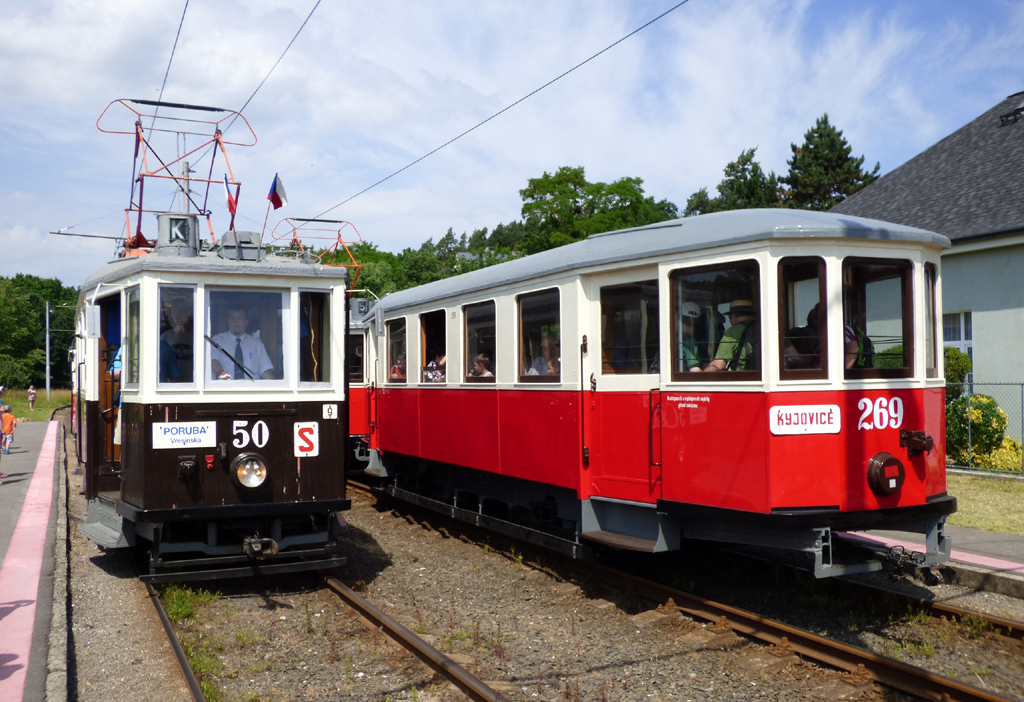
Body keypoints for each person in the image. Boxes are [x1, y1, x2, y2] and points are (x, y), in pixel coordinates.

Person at [210, 304, 276, 380]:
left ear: (246, 322)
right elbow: (212, 360)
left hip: (251, 389)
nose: (236, 322)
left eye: (240, 318)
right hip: (226, 388)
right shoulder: (217, 340)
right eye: (232, 318)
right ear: (228, 321)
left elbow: (264, 370)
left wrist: (276, 386)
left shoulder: (256, 343)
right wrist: (221, 373)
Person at [705, 299, 759, 372]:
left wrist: (700, 377)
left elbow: (719, 364)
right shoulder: (762, 329)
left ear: (733, 317)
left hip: (743, 379)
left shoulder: (732, 331)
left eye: (729, 318)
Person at [161, 299, 194, 382]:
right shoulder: (165, 337)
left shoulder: (197, 337)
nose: (176, 315)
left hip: (195, 383)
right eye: (174, 312)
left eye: (180, 311)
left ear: (188, 314)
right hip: (172, 386)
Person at [677, 302, 703, 372]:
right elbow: (695, 370)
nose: (690, 326)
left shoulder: (669, 338)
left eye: (694, 323)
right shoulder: (689, 341)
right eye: (686, 321)